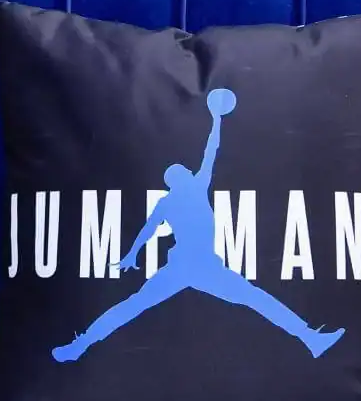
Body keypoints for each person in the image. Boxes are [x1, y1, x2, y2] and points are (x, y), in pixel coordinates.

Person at [52, 88, 345, 362]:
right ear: (175, 180)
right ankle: (79, 345)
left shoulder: (186, 192)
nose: (187, 172)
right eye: (181, 172)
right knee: (139, 305)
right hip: (187, 265)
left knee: (248, 298)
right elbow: (151, 226)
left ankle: (310, 337)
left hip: (201, 265)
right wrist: (132, 253)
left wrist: (217, 120)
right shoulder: (183, 194)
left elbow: (209, 154)